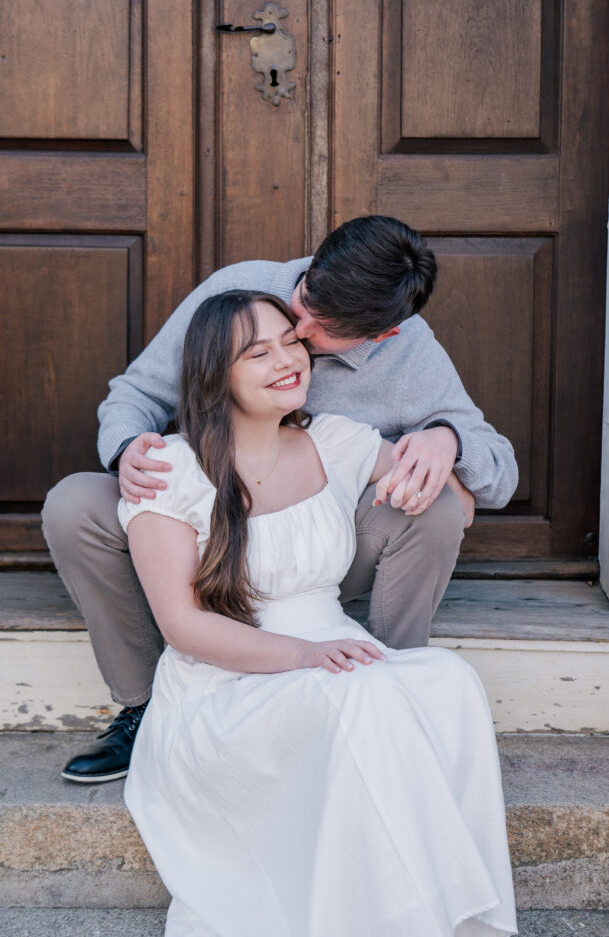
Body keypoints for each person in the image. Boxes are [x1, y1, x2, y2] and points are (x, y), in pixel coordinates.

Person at [42, 215, 518, 784]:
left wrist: (449, 439)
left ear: (380, 336)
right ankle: (143, 707)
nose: (298, 330)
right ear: (314, 265)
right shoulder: (238, 290)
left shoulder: (409, 354)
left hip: (318, 549)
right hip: (204, 535)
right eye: (305, 301)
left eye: (322, 331)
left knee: (436, 506)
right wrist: (127, 450)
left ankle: (391, 689)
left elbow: (497, 473)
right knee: (74, 503)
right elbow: (137, 393)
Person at [119, 290, 517, 937]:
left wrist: (442, 443)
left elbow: (455, 496)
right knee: (363, 697)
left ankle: (455, 917)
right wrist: (303, 656)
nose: (287, 360)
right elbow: (182, 625)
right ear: (215, 374)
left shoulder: (334, 440)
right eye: (258, 353)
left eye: (290, 342)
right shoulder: (170, 468)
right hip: (225, 685)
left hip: (336, 655)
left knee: (450, 681)